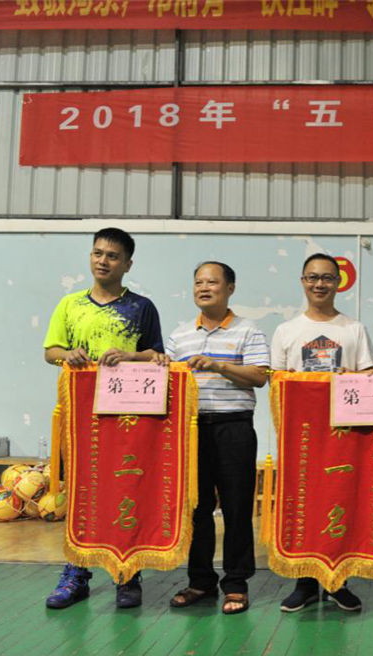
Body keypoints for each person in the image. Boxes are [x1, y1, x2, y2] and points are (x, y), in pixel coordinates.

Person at [42, 227, 166, 609]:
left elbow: (157, 356)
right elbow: (50, 351)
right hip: (80, 418)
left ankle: (126, 574)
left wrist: (131, 356)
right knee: (80, 493)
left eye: (112, 256)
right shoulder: (70, 304)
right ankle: (76, 573)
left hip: (127, 419)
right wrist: (68, 354)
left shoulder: (142, 307)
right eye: (97, 253)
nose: (103, 261)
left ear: (127, 264)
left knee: (125, 490)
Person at [270, 253, 373, 612]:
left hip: (342, 435)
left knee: (338, 501)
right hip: (301, 436)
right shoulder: (286, 331)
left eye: (327, 278)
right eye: (313, 277)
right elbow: (275, 381)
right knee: (303, 504)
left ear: (338, 283)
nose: (320, 284)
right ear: (303, 282)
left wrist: (352, 377)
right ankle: (304, 582)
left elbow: (369, 376)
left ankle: (337, 581)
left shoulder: (353, 329)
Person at [166, 262, 269, 615]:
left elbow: (259, 376)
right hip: (192, 429)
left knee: (237, 507)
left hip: (234, 427)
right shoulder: (180, 335)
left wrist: (218, 365)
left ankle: (236, 584)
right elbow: (166, 377)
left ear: (230, 288)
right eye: (198, 282)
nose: (204, 288)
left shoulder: (248, 330)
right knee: (197, 509)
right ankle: (200, 581)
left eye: (212, 282)